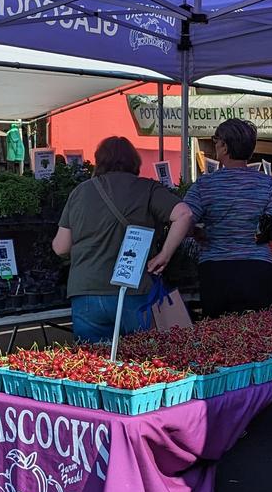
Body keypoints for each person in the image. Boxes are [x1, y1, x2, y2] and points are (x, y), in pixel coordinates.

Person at [51, 135, 191, 343]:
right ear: (134, 161)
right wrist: (165, 255)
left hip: (86, 292)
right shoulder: (148, 189)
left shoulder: (80, 192)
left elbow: (61, 247)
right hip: (134, 292)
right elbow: (184, 214)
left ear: (99, 161)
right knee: (144, 363)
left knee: (93, 366)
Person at [182, 118, 272, 316]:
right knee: (256, 336)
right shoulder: (267, 185)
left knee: (218, 336)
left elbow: (182, 221)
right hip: (258, 270)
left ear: (224, 147)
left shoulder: (204, 185)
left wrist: (197, 232)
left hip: (215, 270)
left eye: (216, 143)